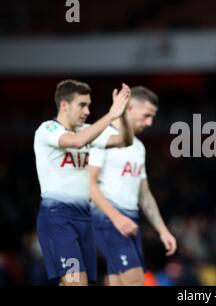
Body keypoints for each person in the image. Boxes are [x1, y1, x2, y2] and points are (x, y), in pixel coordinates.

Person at [34, 79, 133, 286]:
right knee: (76, 283)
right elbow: (77, 142)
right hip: (58, 219)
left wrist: (122, 114)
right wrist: (111, 114)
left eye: (88, 105)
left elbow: (125, 140)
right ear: (64, 105)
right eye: (82, 105)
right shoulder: (48, 129)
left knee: (80, 283)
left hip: (84, 219)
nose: (87, 111)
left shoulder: (87, 130)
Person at [88, 86, 177, 286]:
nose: (150, 122)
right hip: (108, 220)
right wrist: (116, 217)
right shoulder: (101, 136)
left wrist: (162, 230)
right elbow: (89, 184)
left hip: (129, 220)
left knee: (117, 282)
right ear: (128, 108)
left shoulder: (138, 147)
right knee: (136, 281)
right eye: (146, 116)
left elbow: (144, 194)